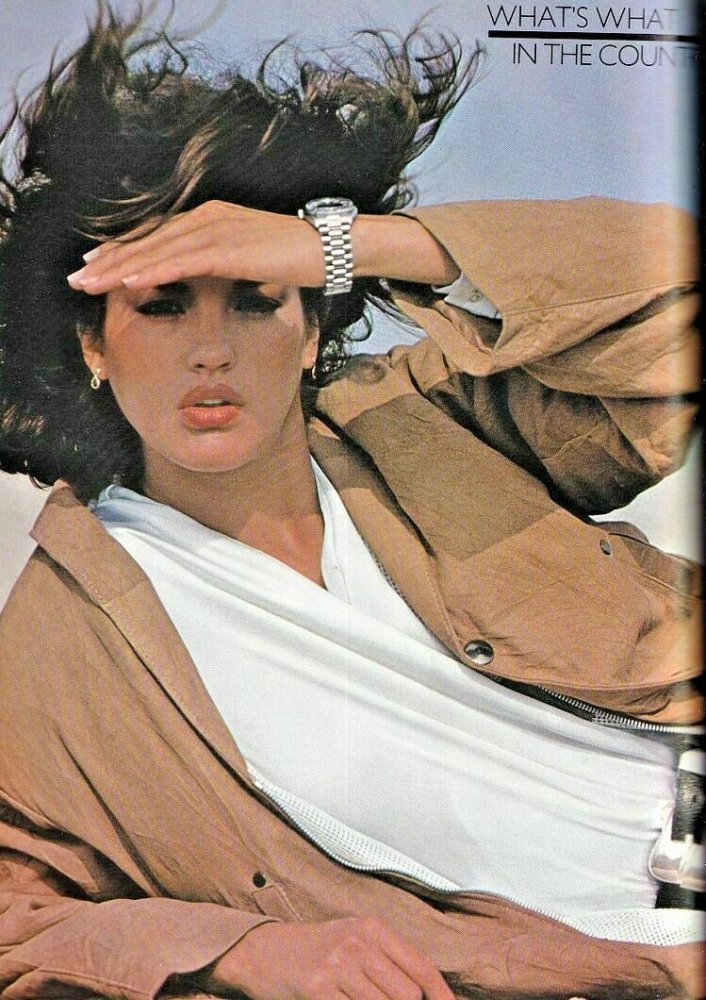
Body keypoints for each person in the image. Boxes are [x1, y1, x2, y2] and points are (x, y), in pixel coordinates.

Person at [0, 8, 702, 1000]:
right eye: (162, 305)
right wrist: (243, 951)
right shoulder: (58, 638)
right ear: (93, 346)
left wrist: (340, 243)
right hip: (615, 965)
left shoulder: (423, 423)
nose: (212, 351)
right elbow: (17, 917)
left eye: (255, 297)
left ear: (313, 329)